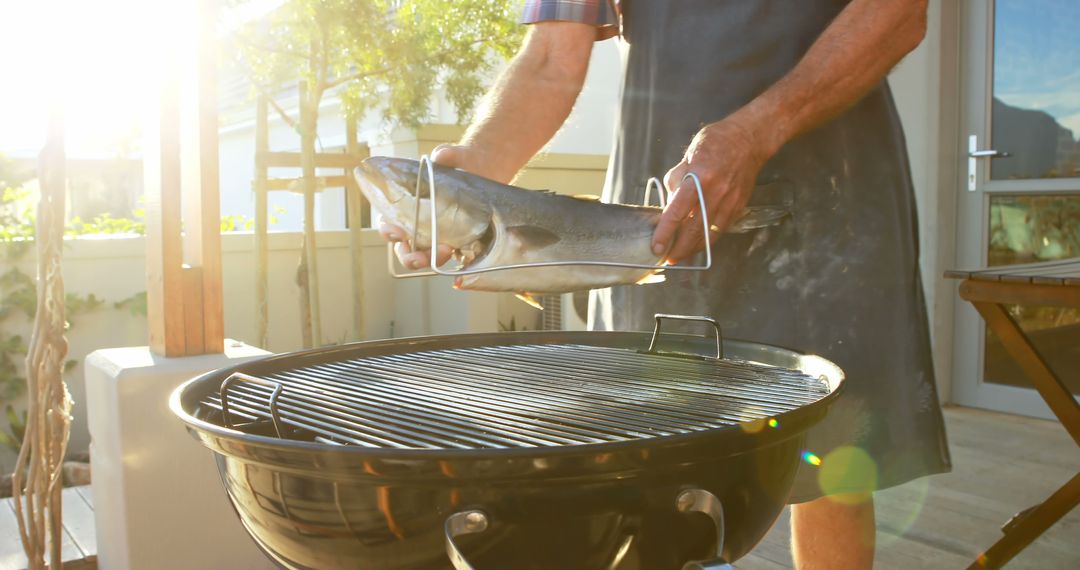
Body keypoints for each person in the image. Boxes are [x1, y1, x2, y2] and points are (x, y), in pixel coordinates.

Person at [381, 1, 951, 567]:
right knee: (643, 459)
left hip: (829, 180)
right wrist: (468, 184)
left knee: (836, 461)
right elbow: (552, 57)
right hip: (653, 211)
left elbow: (897, 13)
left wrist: (758, 130)